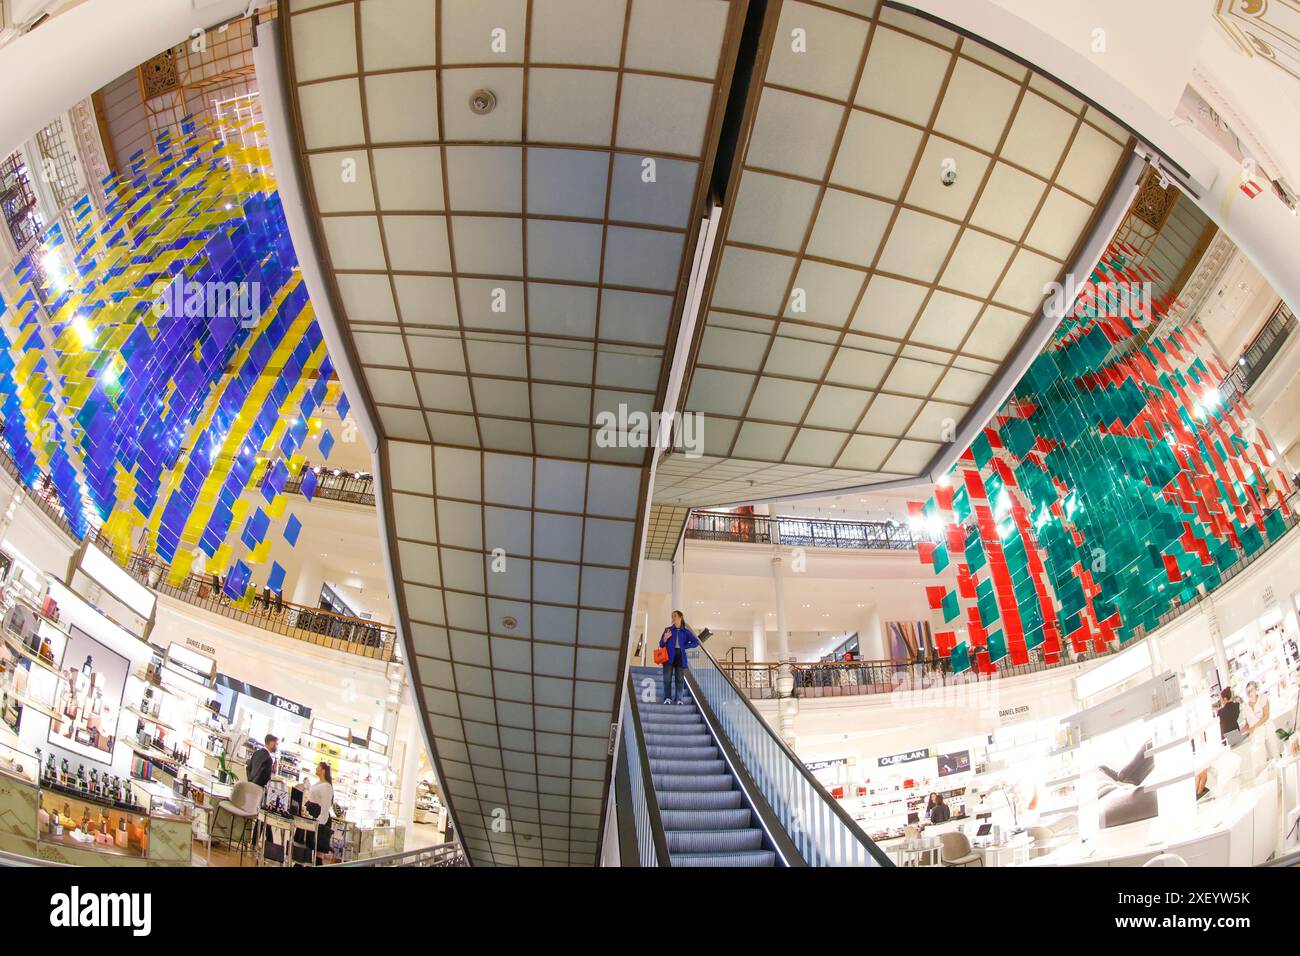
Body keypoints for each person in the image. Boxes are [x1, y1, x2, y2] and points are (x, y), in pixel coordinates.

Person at [659, 610, 699, 705]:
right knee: (667, 678)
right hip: (668, 656)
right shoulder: (668, 630)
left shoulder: (685, 631)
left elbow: (696, 642)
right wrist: (665, 638)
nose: (673, 618)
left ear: (680, 617)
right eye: (672, 616)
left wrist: (685, 646)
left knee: (680, 679)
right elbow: (661, 644)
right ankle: (667, 698)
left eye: (675, 616)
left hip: (680, 656)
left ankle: (679, 699)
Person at [304, 761, 335, 864]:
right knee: (307, 846)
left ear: (323, 770)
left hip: (319, 818)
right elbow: (314, 794)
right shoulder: (319, 783)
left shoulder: (327, 786)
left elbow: (325, 805)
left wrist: (320, 821)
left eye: (318, 767)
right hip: (312, 814)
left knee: (317, 850)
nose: (316, 769)